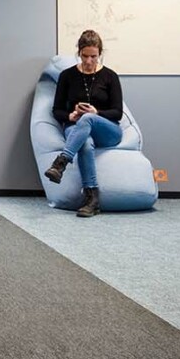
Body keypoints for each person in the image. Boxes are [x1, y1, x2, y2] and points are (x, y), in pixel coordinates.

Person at [44, 29, 125, 218]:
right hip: (77, 127)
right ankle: (92, 199)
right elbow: (56, 110)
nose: (89, 61)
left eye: (94, 57)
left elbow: (117, 113)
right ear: (79, 52)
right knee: (85, 145)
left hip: (108, 129)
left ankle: (60, 163)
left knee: (88, 118)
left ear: (100, 54)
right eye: (85, 56)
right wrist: (71, 115)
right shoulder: (67, 76)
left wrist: (97, 113)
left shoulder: (110, 76)